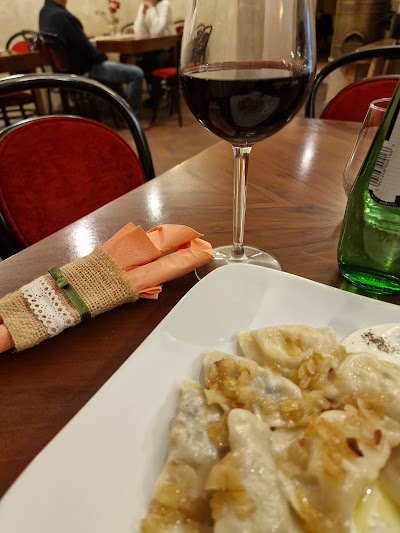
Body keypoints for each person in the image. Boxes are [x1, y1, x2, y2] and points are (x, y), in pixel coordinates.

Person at [39, 0, 144, 114]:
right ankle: (130, 115)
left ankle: (119, 109)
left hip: (62, 71)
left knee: (115, 69)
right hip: (83, 70)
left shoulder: (44, 14)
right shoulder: (63, 16)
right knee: (136, 73)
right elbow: (85, 50)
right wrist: (101, 56)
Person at [133, 0, 176, 105]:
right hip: (152, 49)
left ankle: (157, 94)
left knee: (152, 62)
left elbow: (157, 31)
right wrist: (143, 13)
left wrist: (152, 8)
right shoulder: (144, 6)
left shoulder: (165, 4)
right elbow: (138, 32)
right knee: (141, 62)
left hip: (169, 50)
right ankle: (155, 93)